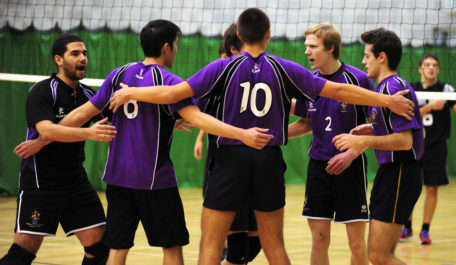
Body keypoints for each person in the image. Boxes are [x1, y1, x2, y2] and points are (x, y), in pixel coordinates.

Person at [107, 8, 416, 265]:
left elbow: (172, 93)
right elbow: (337, 89)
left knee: (211, 247)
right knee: (274, 247)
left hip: (230, 159)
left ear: (239, 36)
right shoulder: (285, 68)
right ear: (269, 34)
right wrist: (386, 100)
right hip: (268, 158)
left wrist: (133, 90)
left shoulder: (223, 67)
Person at [11, 20, 273, 265]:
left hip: (117, 179)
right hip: (154, 179)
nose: (176, 51)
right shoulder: (170, 82)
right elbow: (200, 119)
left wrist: (41, 140)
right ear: (166, 47)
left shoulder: (118, 75)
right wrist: (243, 134)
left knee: (116, 248)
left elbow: (80, 115)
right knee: (171, 247)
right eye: (176, 46)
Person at [2, 34, 114, 265]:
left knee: (99, 248)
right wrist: (89, 133)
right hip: (41, 180)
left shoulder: (89, 95)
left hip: (75, 179)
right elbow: (49, 131)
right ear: (58, 60)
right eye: (75, 53)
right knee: (22, 254)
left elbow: (120, 123)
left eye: (84, 53)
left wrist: (171, 120)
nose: (82, 58)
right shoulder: (42, 91)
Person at [332, 28, 425, 265]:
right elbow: (406, 131)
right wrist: (374, 129)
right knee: (378, 254)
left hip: (401, 172)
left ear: (381, 57)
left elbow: (406, 141)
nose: (363, 61)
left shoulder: (393, 88)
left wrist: (363, 141)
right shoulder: (384, 90)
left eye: (367, 55)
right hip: (391, 173)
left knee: (378, 256)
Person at [287, 23, 372, 265]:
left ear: (331, 48)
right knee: (319, 238)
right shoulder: (308, 83)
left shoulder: (359, 80)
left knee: (356, 245)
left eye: (313, 47)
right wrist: (276, 136)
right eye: (306, 46)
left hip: (351, 168)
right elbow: (306, 123)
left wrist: (352, 153)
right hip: (319, 168)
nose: (307, 52)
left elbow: (378, 127)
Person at [193, 23, 262, 265]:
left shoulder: (264, 75)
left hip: (257, 170)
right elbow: (192, 107)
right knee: (234, 242)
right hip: (225, 167)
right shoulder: (216, 79)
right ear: (233, 51)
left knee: (254, 243)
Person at [399, 53, 456, 245]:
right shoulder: (412, 89)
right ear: (420, 68)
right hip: (414, 145)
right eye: (427, 65)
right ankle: (406, 226)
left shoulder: (445, 89)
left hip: (436, 147)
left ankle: (425, 230)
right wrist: (431, 107)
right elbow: (409, 115)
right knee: (409, 187)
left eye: (434, 65)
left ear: (438, 69)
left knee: (432, 188)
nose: (431, 68)